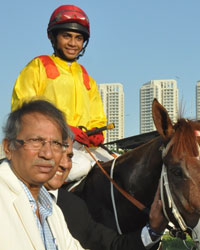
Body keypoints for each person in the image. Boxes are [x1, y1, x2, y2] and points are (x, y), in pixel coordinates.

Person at [11, 4, 113, 182]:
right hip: (47, 145)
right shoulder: (38, 66)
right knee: (80, 167)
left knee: (117, 166)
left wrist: (96, 132)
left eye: (78, 38)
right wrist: (62, 128)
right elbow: (24, 109)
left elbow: (98, 117)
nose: (73, 43)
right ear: (53, 37)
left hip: (83, 147)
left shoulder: (86, 77)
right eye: (67, 36)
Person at [46, 136, 168, 250]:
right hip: (74, 142)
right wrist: (73, 131)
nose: (65, 164)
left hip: (91, 145)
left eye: (69, 157)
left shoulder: (74, 205)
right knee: (83, 166)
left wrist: (153, 231)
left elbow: (114, 244)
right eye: (60, 155)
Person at [0, 99, 85, 250]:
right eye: (35, 141)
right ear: (8, 148)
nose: (47, 154)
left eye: (56, 144)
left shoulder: (52, 209)